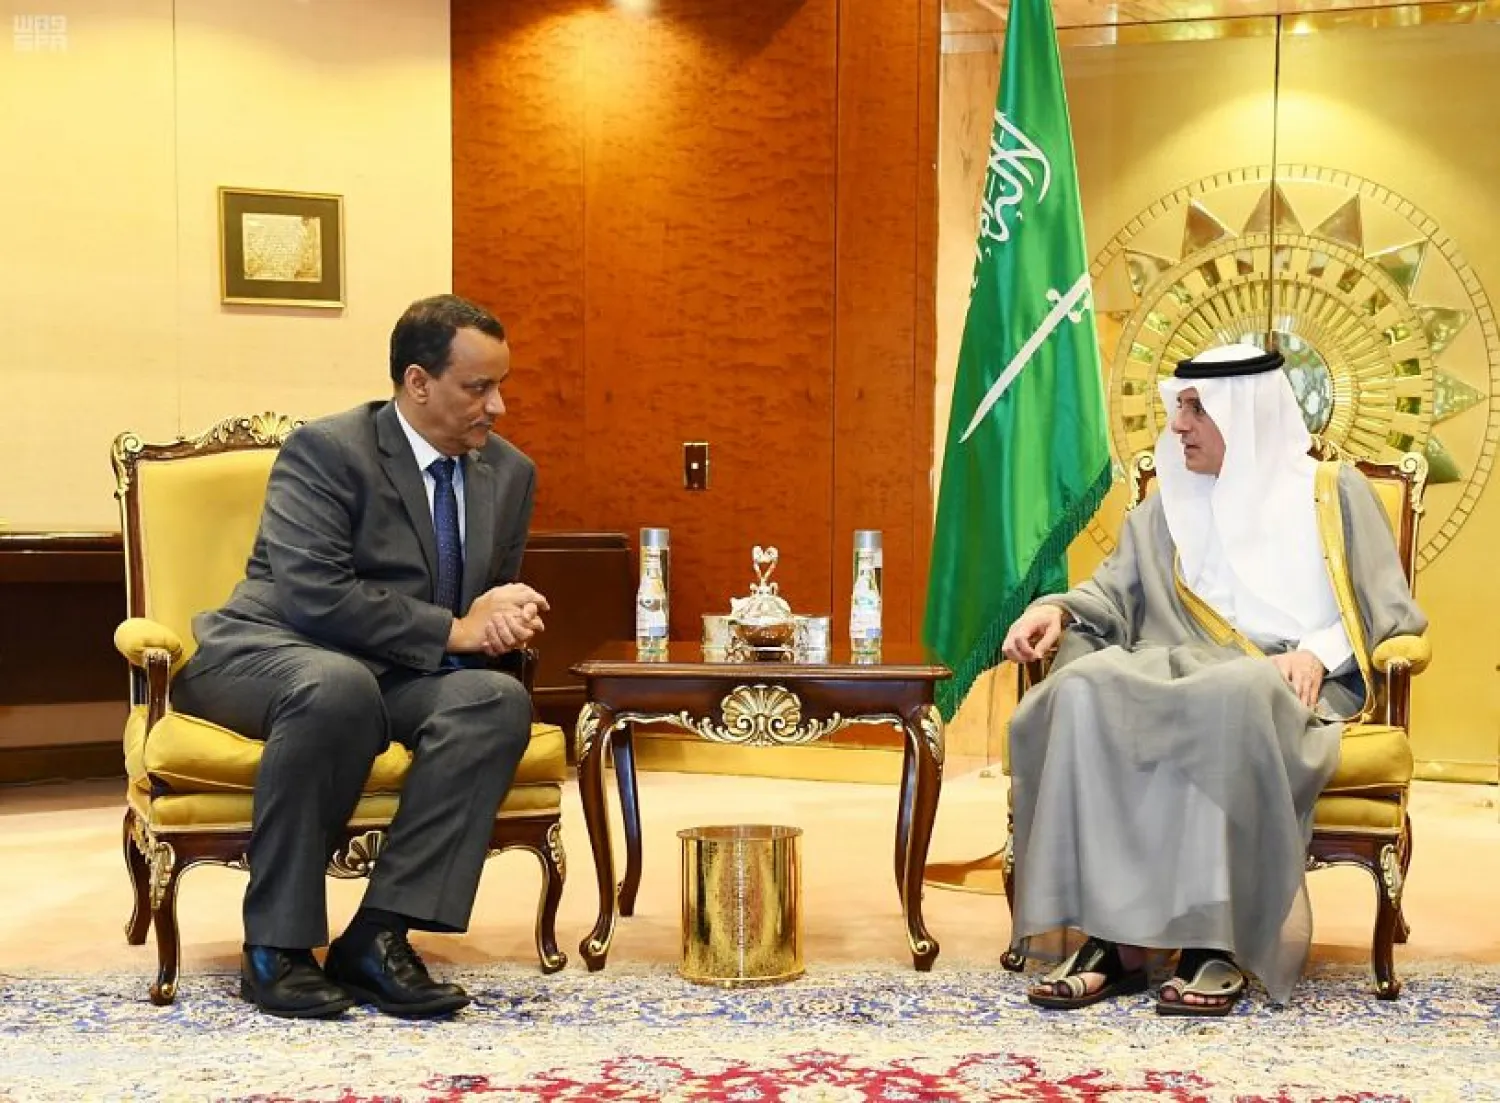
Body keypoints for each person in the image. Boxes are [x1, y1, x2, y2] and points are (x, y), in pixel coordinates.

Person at [1000, 343, 1427, 1015]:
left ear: (1248, 412)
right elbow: (1111, 594)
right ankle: (1116, 941)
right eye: (1179, 407)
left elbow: (1385, 614)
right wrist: (1054, 609)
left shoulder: (1330, 494)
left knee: (1231, 694)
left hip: (1283, 686)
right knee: (1082, 688)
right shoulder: (1167, 507)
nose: (1179, 425)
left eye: (1197, 408)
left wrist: (1316, 651)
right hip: (1174, 669)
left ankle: (1214, 942)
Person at [173, 294, 549, 1020]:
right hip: (269, 649)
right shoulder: (329, 449)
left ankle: (378, 937)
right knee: (335, 685)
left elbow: (485, 598)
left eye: (502, 385)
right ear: (417, 382)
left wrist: (506, 615)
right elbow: (313, 593)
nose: (497, 405)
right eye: (478, 387)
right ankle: (276, 948)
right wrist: (456, 631)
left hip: (393, 671)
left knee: (496, 700)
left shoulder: (509, 471)